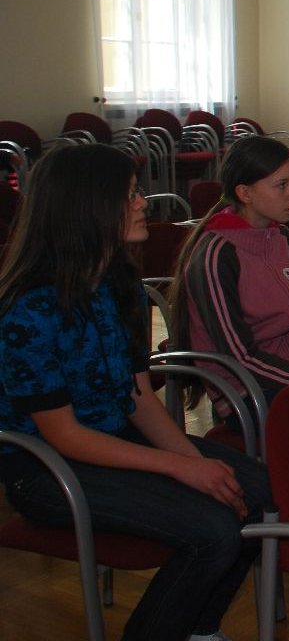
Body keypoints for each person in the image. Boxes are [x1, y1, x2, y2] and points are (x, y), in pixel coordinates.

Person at [0, 143, 271, 641]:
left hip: (111, 437)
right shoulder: (29, 311)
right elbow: (65, 436)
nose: (145, 202)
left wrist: (196, 462)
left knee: (258, 494)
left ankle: (199, 628)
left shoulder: (116, 282)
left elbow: (139, 397)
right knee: (212, 531)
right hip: (45, 468)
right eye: (131, 195)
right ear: (88, 209)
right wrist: (185, 467)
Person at [171, 135, 289, 417]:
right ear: (245, 193)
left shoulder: (285, 239)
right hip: (246, 389)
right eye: (282, 185)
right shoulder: (217, 254)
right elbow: (238, 356)